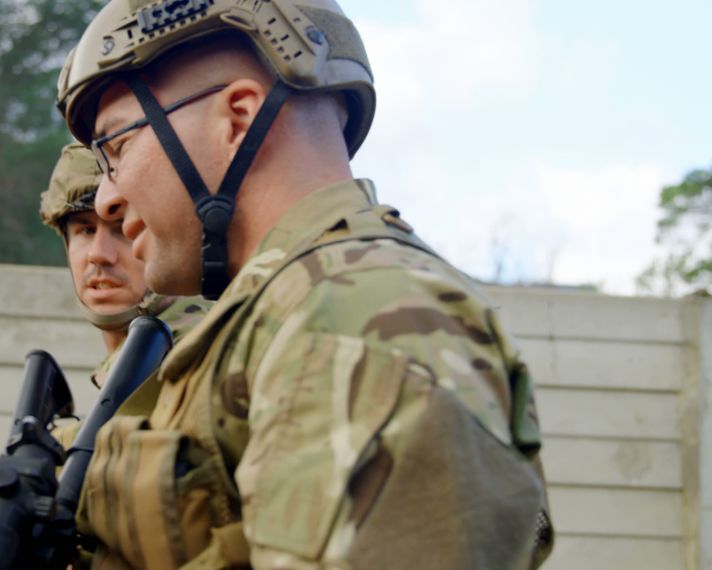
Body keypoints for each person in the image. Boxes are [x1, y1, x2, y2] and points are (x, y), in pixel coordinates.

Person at [55, 1, 553, 568]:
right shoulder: (285, 316)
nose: (107, 198)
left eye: (117, 146)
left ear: (237, 119)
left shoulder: (363, 319)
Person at [39, 142, 209, 405]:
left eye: (122, 229)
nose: (99, 254)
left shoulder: (196, 356)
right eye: (85, 230)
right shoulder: (136, 360)